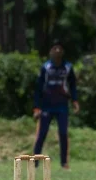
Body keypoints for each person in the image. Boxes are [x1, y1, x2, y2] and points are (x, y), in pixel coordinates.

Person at [33, 39, 80, 169]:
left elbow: (73, 86)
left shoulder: (68, 67)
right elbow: (38, 88)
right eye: (55, 48)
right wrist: (36, 108)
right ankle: (35, 161)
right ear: (50, 51)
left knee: (63, 133)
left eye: (59, 48)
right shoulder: (46, 68)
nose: (57, 51)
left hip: (62, 106)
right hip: (47, 105)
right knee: (42, 133)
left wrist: (75, 101)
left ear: (63, 51)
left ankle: (64, 162)